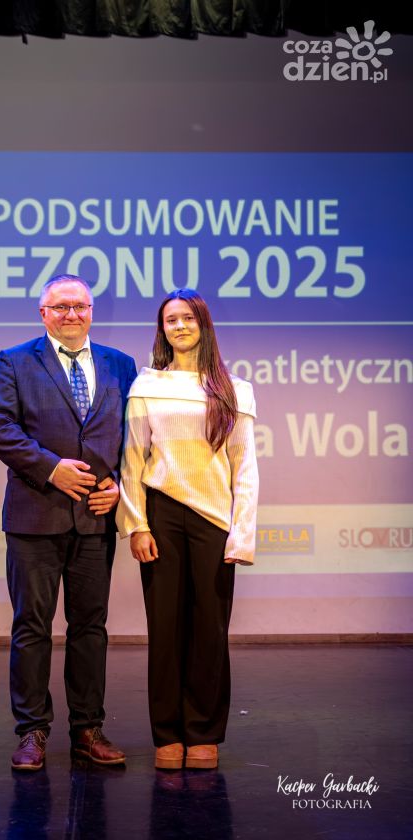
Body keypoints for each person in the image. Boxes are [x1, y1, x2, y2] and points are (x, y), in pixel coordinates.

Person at [0, 274, 137, 771]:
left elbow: (132, 437)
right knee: (32, 626)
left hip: (95, 518)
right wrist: (52, 468)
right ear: (43, 313)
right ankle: (31, 730)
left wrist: (119, 483)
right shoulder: (15, 360)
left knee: (90, 627)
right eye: (61, 306)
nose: (72, 314)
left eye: (80, 306)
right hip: (35, 516)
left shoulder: (120, 364)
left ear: (91, 311)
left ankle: (87, 729)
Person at [116, 289, 258, 771]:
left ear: (203, 324)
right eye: (170, 320)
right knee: (165, 629)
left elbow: (245, 467)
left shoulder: (234, 389)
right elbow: (132, 460)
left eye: (187, 318)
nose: (179, 326)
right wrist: (136, 525)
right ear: (162, 330)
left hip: (214, 519)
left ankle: (203, 733)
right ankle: (168, 734)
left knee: (209, 630)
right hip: (161, 515)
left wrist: (242, 534)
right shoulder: (146, 385)